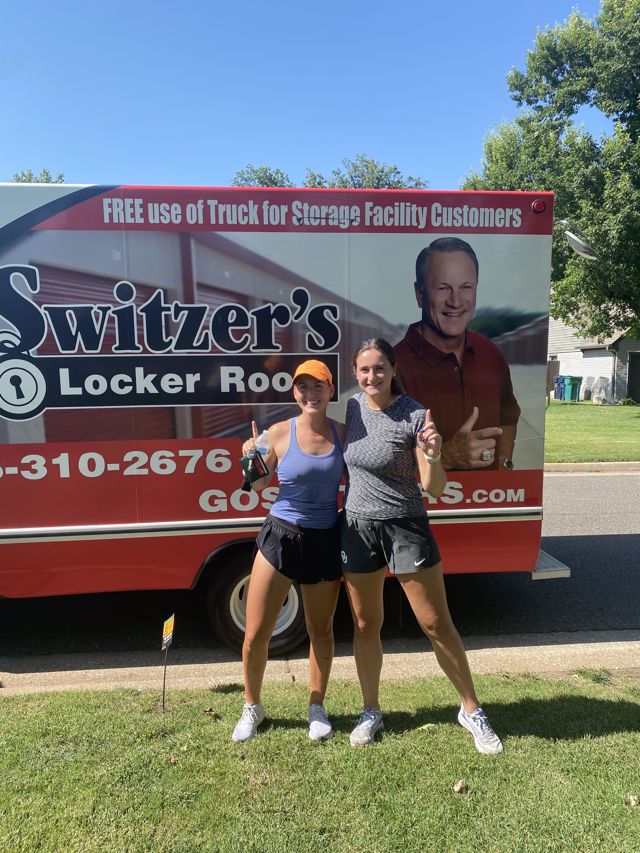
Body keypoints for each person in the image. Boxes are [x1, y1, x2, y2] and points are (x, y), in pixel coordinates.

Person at [341, 337, 503, 754]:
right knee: (365, 624)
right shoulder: (353, 408)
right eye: (364, 369)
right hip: (358, 527)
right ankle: (370, 711)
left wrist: (432, 455)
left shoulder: (414, 415)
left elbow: (434, 487)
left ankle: (471, 710)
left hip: (405, 527)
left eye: (379, 367)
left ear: (394, 369)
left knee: (435, 623)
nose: (372, 376)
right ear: (355, 373)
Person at [232, 359, 345, 743]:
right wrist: (251, 456)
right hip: (280, 536)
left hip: (324, 538)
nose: (311, 394)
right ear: (295, 392)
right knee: (255, 633)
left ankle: (316, 707)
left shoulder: (342, 434)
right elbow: (257, 484)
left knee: (321, 631)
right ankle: (252, 706)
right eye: (303, 387)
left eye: (318, 386)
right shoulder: (279, 432)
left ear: (331, 390)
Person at [394, 237, 520, 471]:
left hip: (488, 495)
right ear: (420, 294)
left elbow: (508, 418)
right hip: (421, 497)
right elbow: (381, 461)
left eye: (466, 287)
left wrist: (503, 465)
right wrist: (447, 457)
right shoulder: (392, 368)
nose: (456, 301)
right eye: (443, 288)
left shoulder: (491, 354)